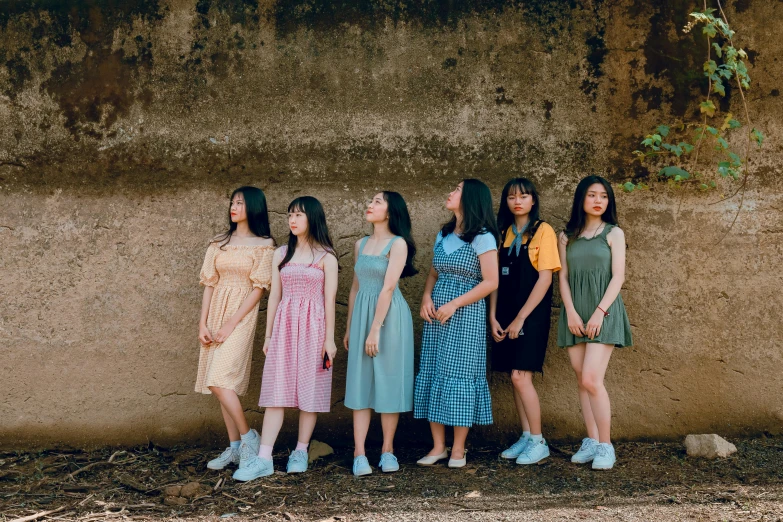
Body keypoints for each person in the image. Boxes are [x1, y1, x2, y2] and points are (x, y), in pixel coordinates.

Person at [233, 196, 339, 481]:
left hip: (314, 329)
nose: (292, 220)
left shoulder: (327, 258)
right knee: (275, 393)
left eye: (299, 215)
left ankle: (301, 451)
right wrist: (268, 335)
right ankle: (264, 458)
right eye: (290, 215)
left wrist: (329, 340)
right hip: (284, 328)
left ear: (312, 219)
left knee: (310, 393)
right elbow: (275, 298)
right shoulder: (281, 254)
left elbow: (329, 301)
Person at [414, 179, 499, 469]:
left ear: (471, 199)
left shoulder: (483, 237)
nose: (450, 192)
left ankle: (459, 449)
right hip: (437, 314)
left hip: (466, 316)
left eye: (458, 189)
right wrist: (426, 298)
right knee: (435, 369)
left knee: (460, 374)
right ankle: (438, 446)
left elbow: (490, 281)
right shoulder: (444, 233)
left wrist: (454, 303)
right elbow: (433, 273)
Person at [196, 186, 275, 471]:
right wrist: (203, 322)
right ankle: (235, 450)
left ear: (253, 207)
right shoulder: (219, 242)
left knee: (218, 379)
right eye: (232, 202)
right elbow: (209, 283)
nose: (234, 207)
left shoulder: (265, 245)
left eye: (240, 203)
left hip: (241, 316)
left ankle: (249, 438)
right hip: (216, 311)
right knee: (221, 385)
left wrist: (231, 323)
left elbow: (258, 289)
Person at [557, 175, 633, 470]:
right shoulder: (566, 236)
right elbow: (561, 277)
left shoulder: (614, 233)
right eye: (592, 195)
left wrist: (599, 311)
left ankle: (605, 445)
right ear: (581, 199)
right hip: (575, 313)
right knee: (581, 379)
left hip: (604, 312)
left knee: (591, 379)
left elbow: (618, 277)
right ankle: (591, 440)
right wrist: (572, 312)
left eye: (604, 196)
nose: (598, 200)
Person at [344, 191, 418, 476]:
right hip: (363, 314)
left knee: (389, 381)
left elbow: (388, 288)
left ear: (390, 211)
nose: (369, 204)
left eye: (377, 201)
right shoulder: (360, 244)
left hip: (389, 318)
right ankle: (359, 453)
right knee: (360, 382)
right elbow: (354, 287)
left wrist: (375, 329)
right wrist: (352, 325)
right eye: (370, 200)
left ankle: (388, 449)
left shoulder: (398, 244)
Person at [489, 177, 560, 465]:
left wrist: (520, 318)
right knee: (513, 378)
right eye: (511, 197)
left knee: (522, 375)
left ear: (533, 200)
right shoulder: (502, 232)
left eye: (524, 196)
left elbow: (545, 278)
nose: (518, 201)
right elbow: (494, 280)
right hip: (504, 313)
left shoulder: (543, 231)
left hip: (531, 315)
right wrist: (492, 316)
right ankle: (526, 435)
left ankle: (539, 440)